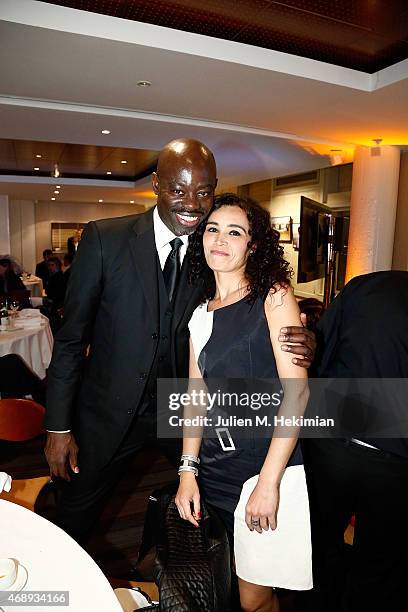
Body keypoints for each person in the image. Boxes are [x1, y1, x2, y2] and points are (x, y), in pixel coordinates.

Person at [44, 139, 315, 545]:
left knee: (211, 519)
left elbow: (244, 308)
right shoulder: (107, 239)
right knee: (73, 521)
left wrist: (305, 335)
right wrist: (58, 427)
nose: (191, 203)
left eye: (203, 192)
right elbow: (70, 341)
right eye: (177, 190)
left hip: (182, 413)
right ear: (155, 184)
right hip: (108, 414)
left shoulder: (212, 251)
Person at [175, 193, 313, 612]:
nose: (220, 239)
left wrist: (269, 482)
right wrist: (187, 470)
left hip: (265, 467)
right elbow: (195, 397)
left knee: (255, 595)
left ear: (253, 246)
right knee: (224, 583)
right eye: (213, 229)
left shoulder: (273, 297)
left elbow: (298, 392)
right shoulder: (200, 311)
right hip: (214, 469)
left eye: (235, 232)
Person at [303, 270, 408, 612]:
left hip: (332, 441)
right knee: (378, 565)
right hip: (394, 459)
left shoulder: (368, 284)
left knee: (319, 545)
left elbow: (320, 349)